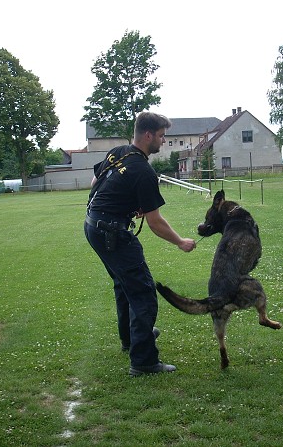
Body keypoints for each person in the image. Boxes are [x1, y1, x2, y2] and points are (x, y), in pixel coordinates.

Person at [84, 112, 196, 377]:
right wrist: (180, 242)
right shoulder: (143, 170)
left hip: (93, 226)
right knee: (144, 292)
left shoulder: (118, 151)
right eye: (161, 135)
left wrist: (125, 202)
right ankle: (144, 361)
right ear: (148, 135)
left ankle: (130, 339)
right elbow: (156, 222)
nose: (163, 140)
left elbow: (96, 182)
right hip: (113, 233)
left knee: (124, 286)